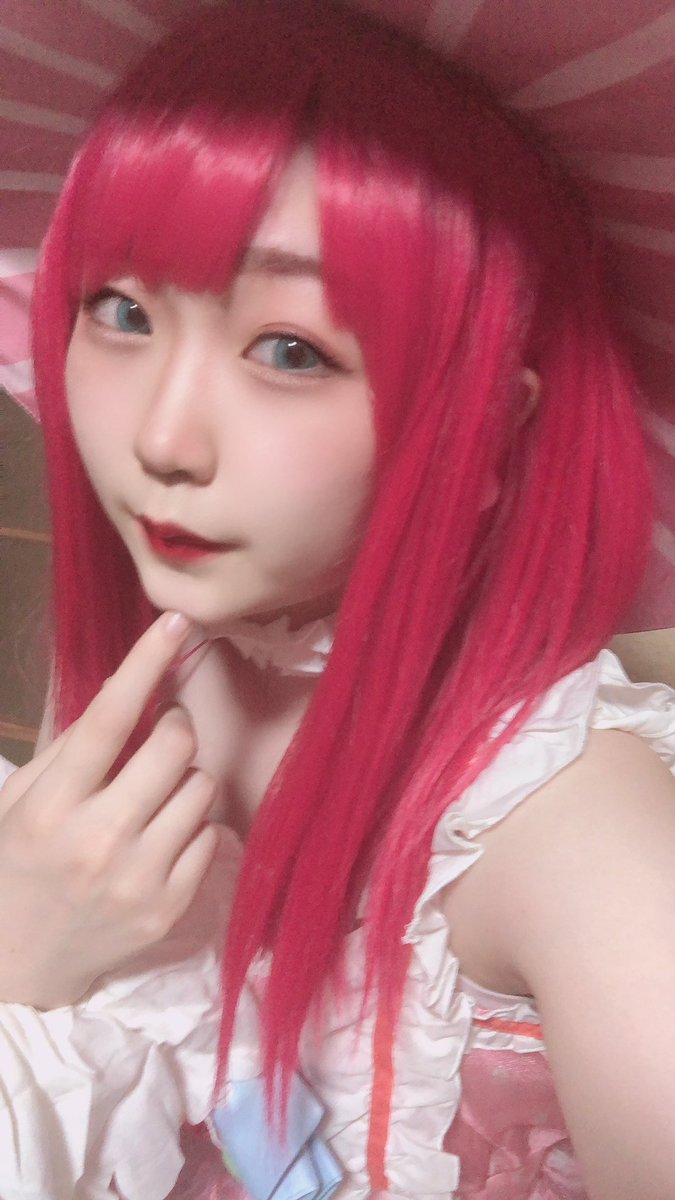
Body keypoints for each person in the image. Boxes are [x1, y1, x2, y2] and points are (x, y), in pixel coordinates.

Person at [1, 1, 675, 1197]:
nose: (162, 439)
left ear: (491, 421)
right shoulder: (133, 671)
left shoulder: (571, 832)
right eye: (122, 311)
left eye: (290, 350)